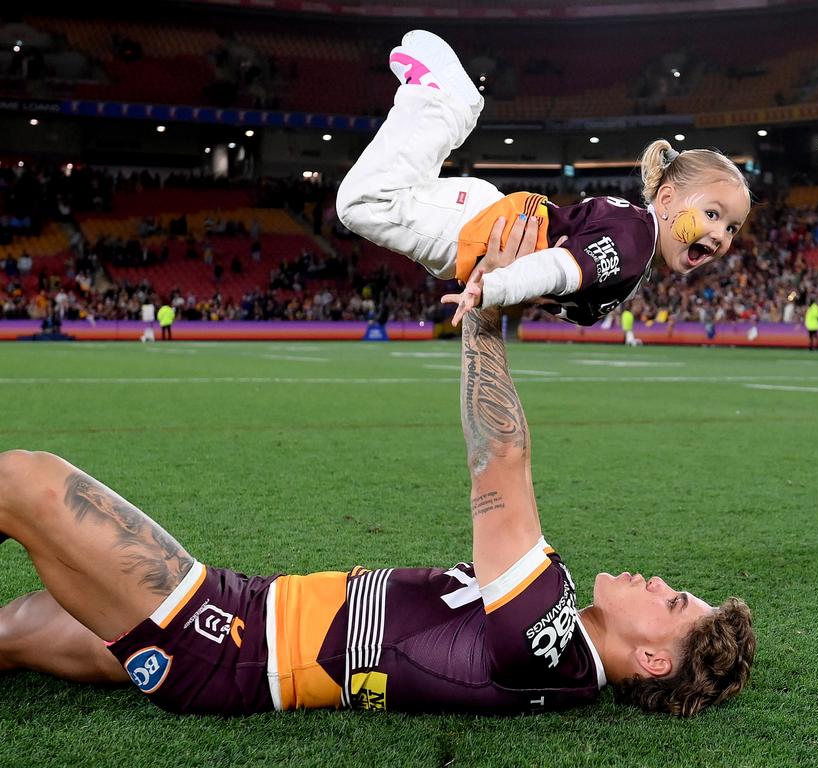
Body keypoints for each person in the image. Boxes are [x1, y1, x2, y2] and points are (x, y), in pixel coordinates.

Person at [0, 218, 754, 718]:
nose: (660, 582)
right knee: (18, 632)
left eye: (676, 601)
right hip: (235, 637)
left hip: (225, 637)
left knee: (24, 480)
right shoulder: (554, 663)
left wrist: (490, 304)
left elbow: (501, 459)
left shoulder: (545, 636)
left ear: (653, 659)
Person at [336, 30, 750, 328]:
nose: (720, 235)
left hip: (495, 224)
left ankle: (444, 105)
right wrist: (492, 290)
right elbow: (559, 269)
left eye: (731, 226)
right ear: (665, 199)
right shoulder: (635, 241)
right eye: (713, 213)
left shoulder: (639, 249)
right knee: (364, 203)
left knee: (392, 193)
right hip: (487, 231)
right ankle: (442, 103)